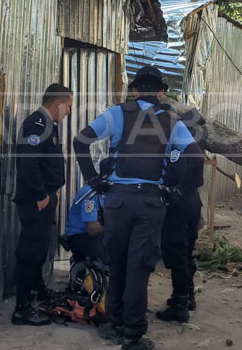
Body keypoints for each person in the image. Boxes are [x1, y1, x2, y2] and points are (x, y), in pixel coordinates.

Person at [73, 65, 194, 350]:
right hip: (151, 203)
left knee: (118, 263)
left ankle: (113, 323)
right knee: (139, 267)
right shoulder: (172, 121)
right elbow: (193, 156)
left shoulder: (117, 114)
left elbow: (81, 141)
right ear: (161, 93)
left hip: (117, 200)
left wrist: (94, 179)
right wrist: (175, 190)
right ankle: (133, 333)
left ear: (135, 90)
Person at [11, 83, 73, 326]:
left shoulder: (48, 125)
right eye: (68, 105)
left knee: (37, 250)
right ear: (59, 103)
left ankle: (37, 292)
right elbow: (27, 163)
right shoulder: (37, 124)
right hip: (36, 200)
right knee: (29, 252)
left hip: (44, 198)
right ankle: (22, 309)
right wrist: (40, 196)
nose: (69, 111)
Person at [155, 122, 205, 324]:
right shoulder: (194, 145)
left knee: (177, 258)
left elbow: (167, 178)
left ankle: (180, 306)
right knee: (186, 254)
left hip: (177, 206)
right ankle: (187, 297)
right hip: (193, 202)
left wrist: (174, 193)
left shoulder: (173, 148)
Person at [63, 184, 106, 264]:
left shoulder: (113, 192)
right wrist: (114, 223)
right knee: (110, 253)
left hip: (99, 233)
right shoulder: (90, 193)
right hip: (80, 234)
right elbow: (92, 229)